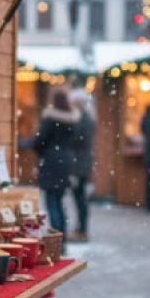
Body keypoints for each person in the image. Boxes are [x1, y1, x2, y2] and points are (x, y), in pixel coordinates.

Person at [31, 87, 83, 235]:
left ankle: (56, 239)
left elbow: (39, 141)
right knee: (59, 202)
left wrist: (40, 149)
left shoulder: (50, 119)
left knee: (51, 203)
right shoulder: (72, 120)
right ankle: (62, 237)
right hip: (65, 162)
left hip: (50, 163)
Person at [67, 89, 97, 242]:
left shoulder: (82, 119)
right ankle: (81, 227)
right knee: (80, 198)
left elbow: (76, 140)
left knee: (79, 198)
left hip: (79, 164)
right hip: (83, 162)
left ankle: (82, 229)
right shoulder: (88, 118)